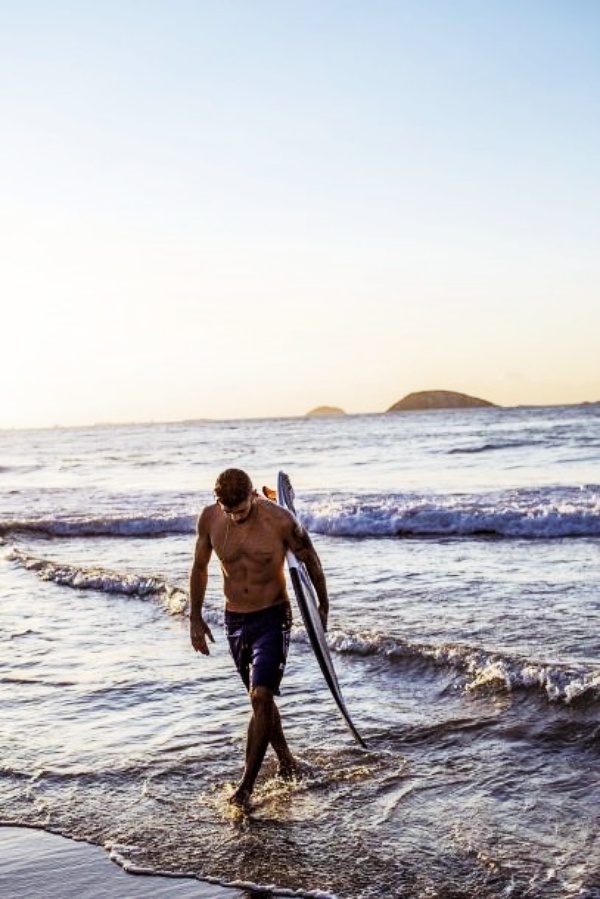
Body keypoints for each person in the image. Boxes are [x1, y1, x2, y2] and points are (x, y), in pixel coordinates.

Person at [189, 468, 329, 807]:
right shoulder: (210, 518)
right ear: (217, 501)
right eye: (229, 510)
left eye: (241, 510)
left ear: (253, 495)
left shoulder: (280, 521)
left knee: (262, 694)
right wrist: (194, 616)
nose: (235, 517)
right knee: (258, 701)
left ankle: (246, 788)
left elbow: (311, 560)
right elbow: (200, 567)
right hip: (234, 618)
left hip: (272, 615)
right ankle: (286, 762)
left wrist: (321, 607)